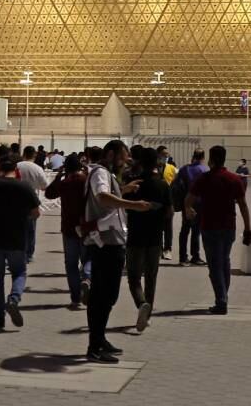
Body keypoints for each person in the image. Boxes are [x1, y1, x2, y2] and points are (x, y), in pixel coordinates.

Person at [82, 140, 154, 362]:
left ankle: (99, 339)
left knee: (106, 295)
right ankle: (95, 346)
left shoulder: (104, 174)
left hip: (110, 241)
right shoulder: (101, 173)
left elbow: (105, 198)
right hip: (105, 243)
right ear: (111, 154)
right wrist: (133, 205)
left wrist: (123, 190)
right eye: (123, 158)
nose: (125, 163)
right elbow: (102, 197)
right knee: (103, 296)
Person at [0, 156, 42, 331]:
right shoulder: (24, 186)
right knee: (19, 272)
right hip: (17, 237)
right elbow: (36, 213)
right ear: (16, 170)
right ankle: (14, 299)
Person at [186, 144, 251, 314]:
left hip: (209, 226)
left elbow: (189, 199)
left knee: (215, 265)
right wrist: (248, 227)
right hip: (228, 226)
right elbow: (243, 205)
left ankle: (221, 301)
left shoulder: (204, 178)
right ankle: (223, 296)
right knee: (224, 262)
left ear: (211, 160)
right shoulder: (234, 179)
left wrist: (189, 209)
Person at [124, 146, 171, 332]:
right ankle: (147, 313)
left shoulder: (133, 183)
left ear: (140, 162)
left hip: (135, 236)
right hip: (154, 238)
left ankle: (141, 303)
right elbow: (169, 212)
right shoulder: (163, 185)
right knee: (151, 278)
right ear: (157, 162)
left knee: (134, 277)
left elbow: (124, 205)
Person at [45, 153, 91, 308]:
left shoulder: (64, 184)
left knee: (71, 264)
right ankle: (87, 277)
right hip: (86, 226)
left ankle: (75, 298)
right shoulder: (87, 181)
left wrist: (58, 177)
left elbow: (49, 194)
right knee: (88, 258)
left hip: (68, 227)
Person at [14, 145, 50, 263]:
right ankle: (29, 254)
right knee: (31, 229)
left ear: (23, 154)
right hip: (31, 201)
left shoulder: (16, 166)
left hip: (16, 201)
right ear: (34, 155)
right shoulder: (37, 168)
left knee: (17, 229)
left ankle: (18, 251)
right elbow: (45, 186)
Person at [173, 149, 209, 265]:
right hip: (200, 204)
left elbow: (176, 185)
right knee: (196, 231)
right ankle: (195, 256)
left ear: (193, 156)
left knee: (185, 230)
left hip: (186, 203)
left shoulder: (184, 169)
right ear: (203, 158)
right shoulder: (205, 170)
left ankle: (183, 257)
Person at [158, 145, 176, 260]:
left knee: (168, 227)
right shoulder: (153, 168)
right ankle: (159, 248)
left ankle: (167, 249)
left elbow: (175, 184)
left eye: (167, 155)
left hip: (168, 201)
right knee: (158, 227)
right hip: (156, 202)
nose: (166, 156)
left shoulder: (172, 168)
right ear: (158, 155)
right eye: (164, 154)